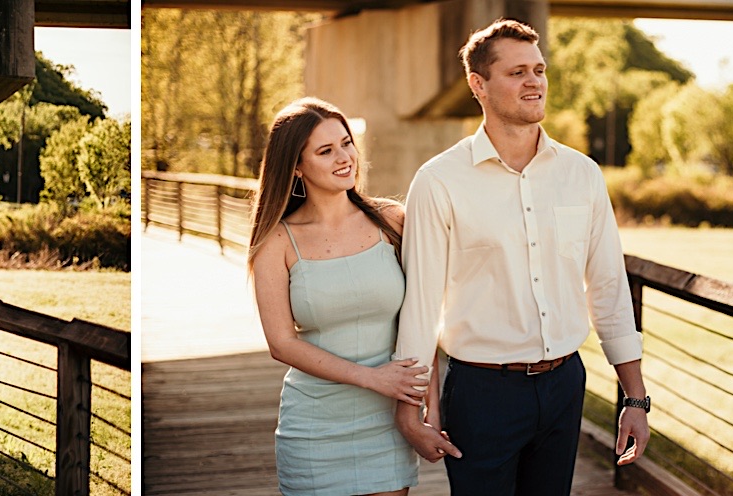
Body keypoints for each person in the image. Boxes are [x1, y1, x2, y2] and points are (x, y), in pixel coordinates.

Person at [391, 18, 651, 495]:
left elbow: (609, 287)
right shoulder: (439, 180)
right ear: (479, 84)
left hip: (565, 384)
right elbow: (421, 303)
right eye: (516, 73)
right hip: (481, 394)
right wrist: (411, 410)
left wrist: (634, 398)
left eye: (539, 69)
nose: (534, 81)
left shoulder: (582, 174)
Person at [249, 97, 431, 495]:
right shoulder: (276, 242)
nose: (344, 157)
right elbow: (281, 343)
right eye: (326, 151)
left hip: (386, 422)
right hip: (314, 424)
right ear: (296, 166)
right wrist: (371, 378)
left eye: (346, 143)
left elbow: (426, 311)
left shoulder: (392, 222)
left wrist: (421, 404)